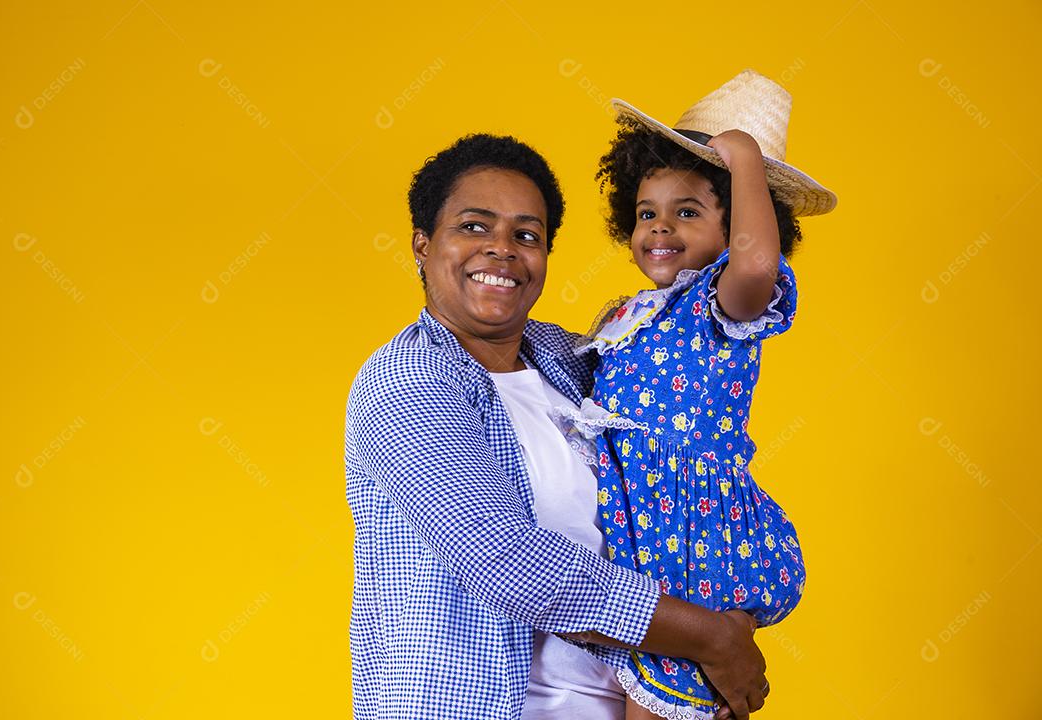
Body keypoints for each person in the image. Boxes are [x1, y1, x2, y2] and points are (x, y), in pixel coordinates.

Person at [345, 133, 769, 720]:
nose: (502, 251)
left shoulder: (573, 360)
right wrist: (709, 638)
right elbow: (506, 562)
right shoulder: (407, 380)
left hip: (629, 698)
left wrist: (717, 634)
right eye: (473, 227)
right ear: (422, 243)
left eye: (526, 235)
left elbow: (674, 485)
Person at [575, 70, 837, 719]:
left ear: (741, 222)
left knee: (661, 702)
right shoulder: (631, 311)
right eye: (646, 214)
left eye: (687, 212)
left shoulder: (722, 301)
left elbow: (755, 263)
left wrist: (744, 157)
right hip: (626, 538)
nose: (659, 229)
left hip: (683, 543)